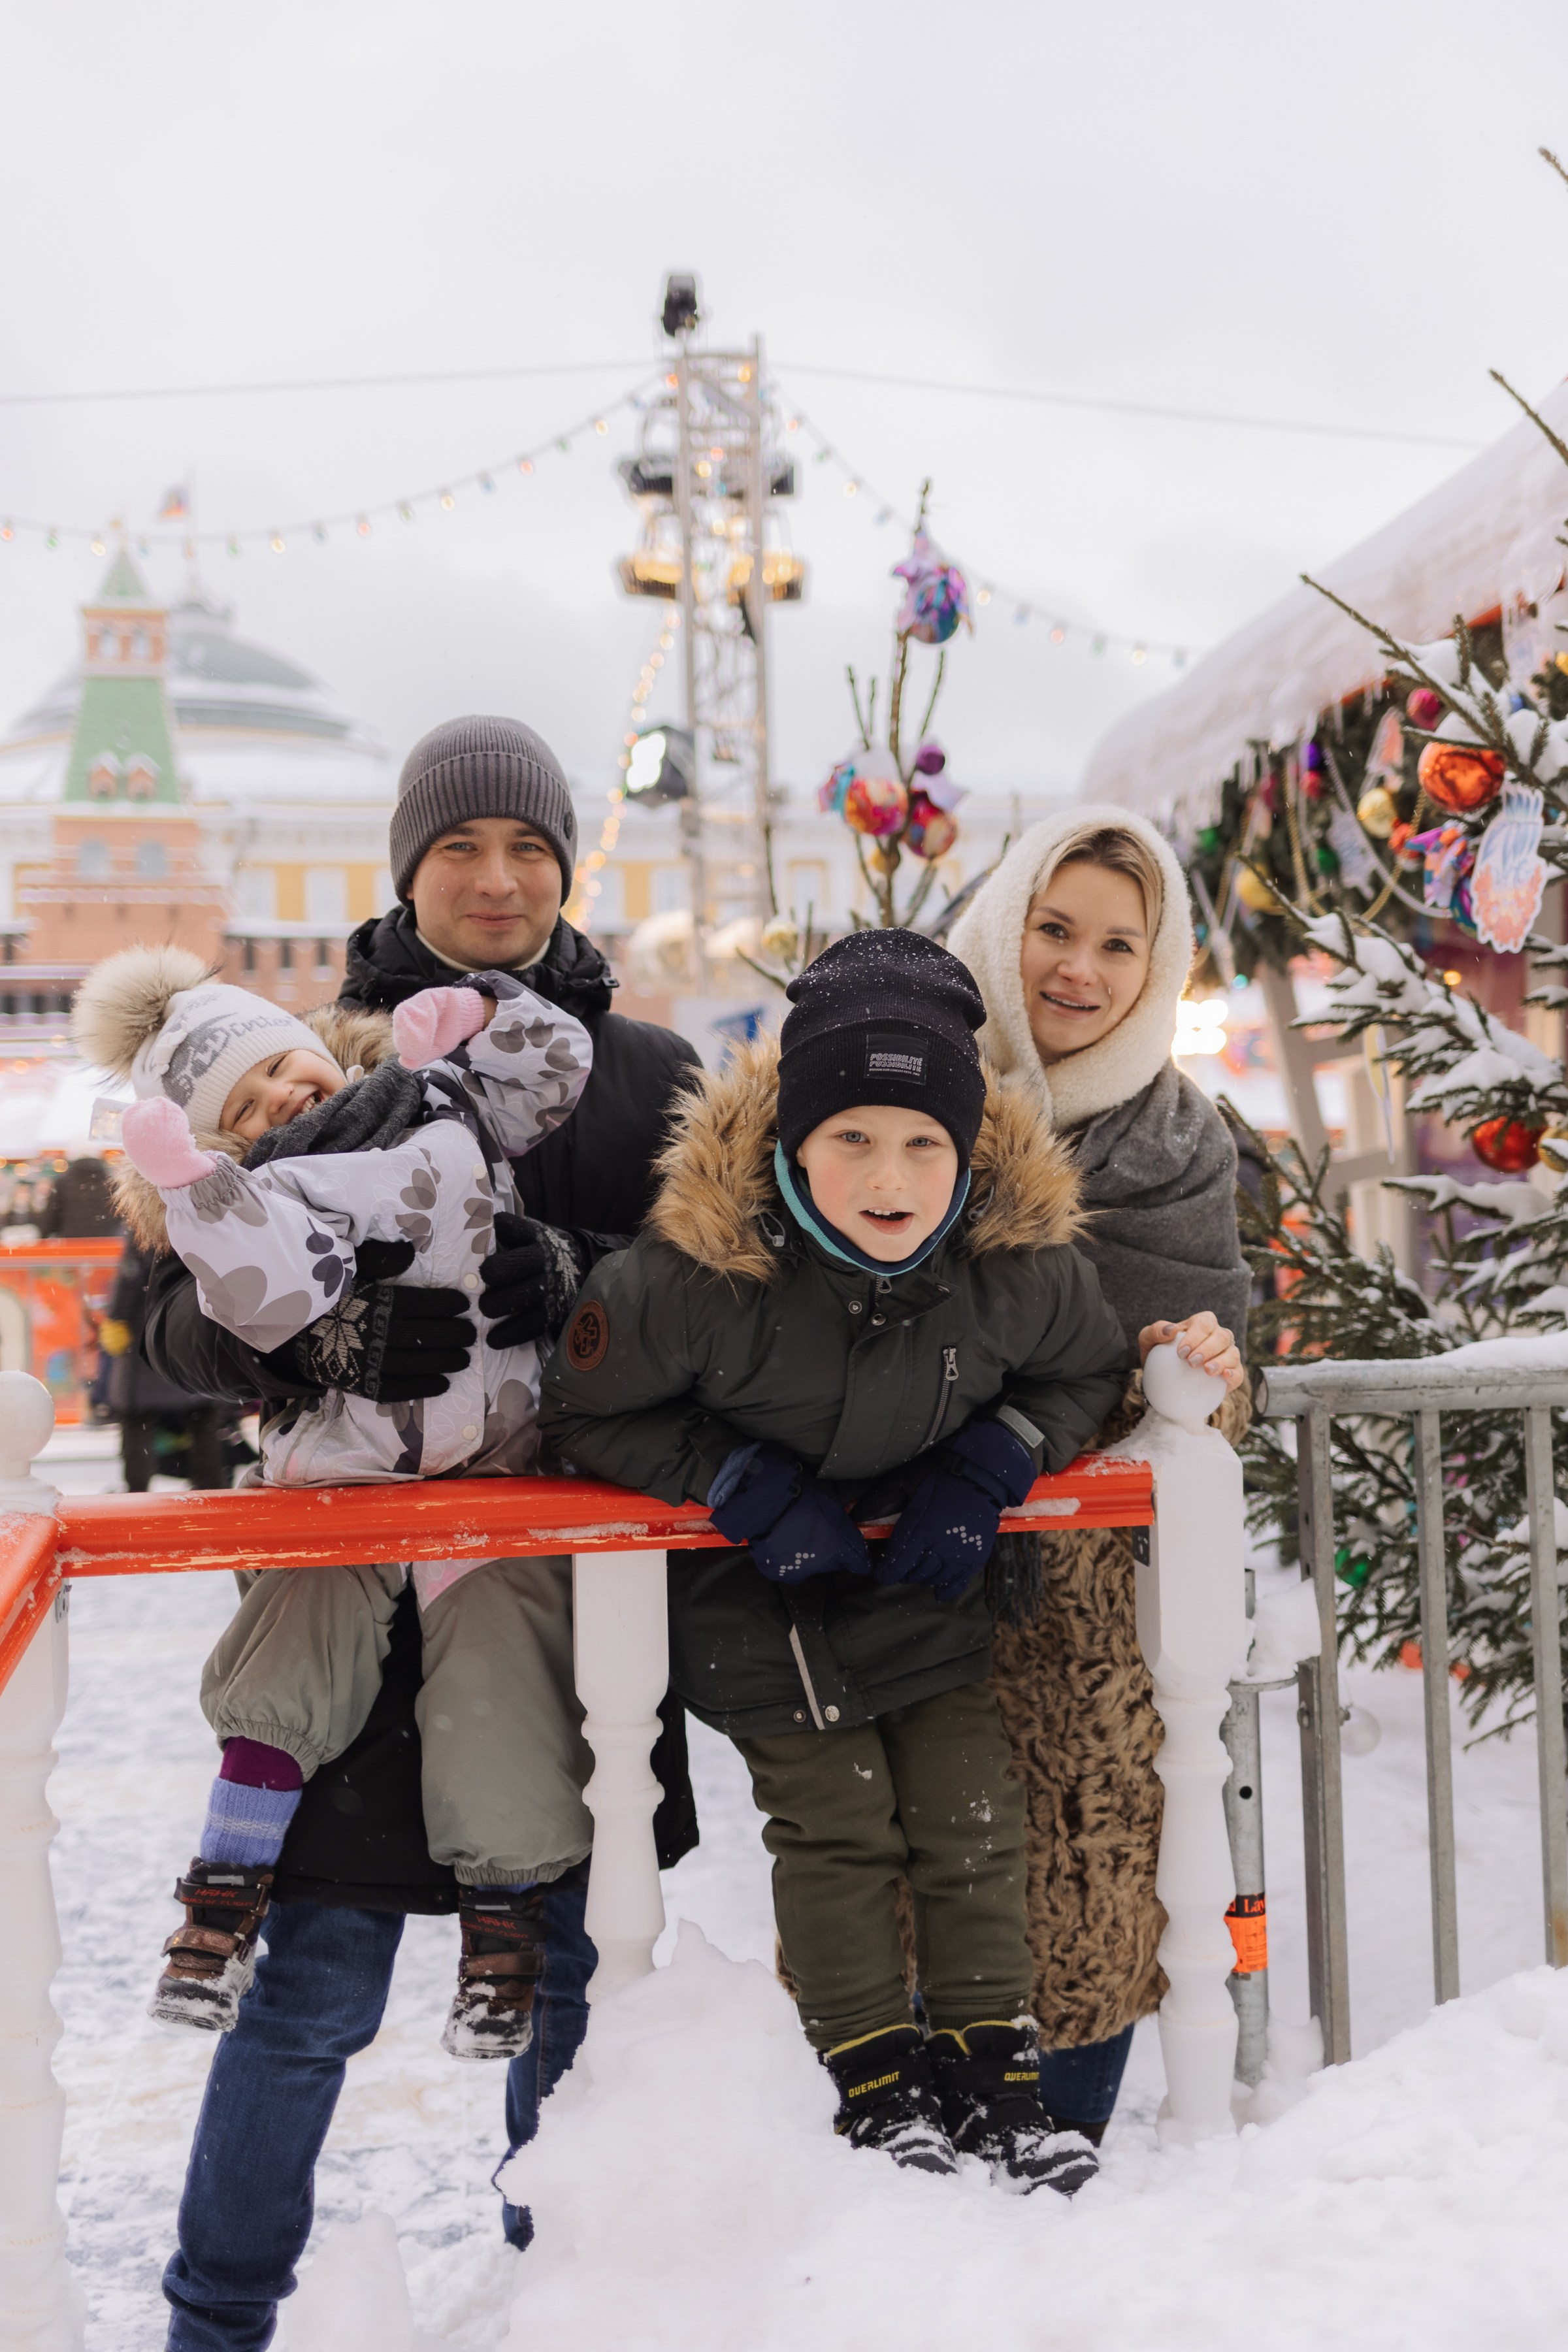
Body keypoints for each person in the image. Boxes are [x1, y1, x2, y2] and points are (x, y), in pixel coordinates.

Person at [125, 716, 700, 2348]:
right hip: (354, 1605)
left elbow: (727, 1300)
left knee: (567, 1986)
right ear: (410, 867)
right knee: (309, 1983)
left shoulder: (651, 1075)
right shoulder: (299, 1054)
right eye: (462, 847)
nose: (498, 876)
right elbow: (157, 1314)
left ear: (569, 866)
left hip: (568, 1609)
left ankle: (558, 2302)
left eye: (529, 847)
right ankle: (218, 2320)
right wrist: (308, 1345)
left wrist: (586, 1295)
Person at [541, 928, 1130, 2195]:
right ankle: (873, 2077)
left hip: (922, 1572)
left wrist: (995, 1463)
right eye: (853, 1136)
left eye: (925, 1142)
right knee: (843, 1825)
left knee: (976, 1814)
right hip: (761, 1592)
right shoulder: (703, 1273)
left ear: (968, 1153)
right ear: (795, 1141)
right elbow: (583, 1404)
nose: (890, 1174)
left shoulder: (1010, 1265)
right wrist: (733, 1481)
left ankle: (997, 2082)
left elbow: (1089, 1363)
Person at [78, 941, 595, 2059]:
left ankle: (503, 1931)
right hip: (346, 1475)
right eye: (245, 1102)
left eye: (282, 1064)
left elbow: (556, 1079)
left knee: (504, 1676)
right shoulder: (271, 1184)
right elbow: (225, 1297)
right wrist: (313, 1331)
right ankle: (224, 1888)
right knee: (289, 1653)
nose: (280, 1094)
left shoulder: (436, 1094)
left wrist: (574, 1267)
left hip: (494, 1471)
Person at [947, 806, 1250, 2145]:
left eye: (1119, 945)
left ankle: (1065, 2172)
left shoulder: (1179, 1150)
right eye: (1052, 930)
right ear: (1001, 925)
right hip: (908, 1579)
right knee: (924, 1873)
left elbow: (1207, 1397)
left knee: (1091, 1875)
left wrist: (1201, 1372)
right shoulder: (895, 1093)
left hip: (1088, 1610)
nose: (1080, 970)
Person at [100, 1237, 230, 1492]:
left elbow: (130, 1277)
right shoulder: (204, 1218)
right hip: (197, 1329)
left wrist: (117, 1318)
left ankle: (136, 1490)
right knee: (203, 1415)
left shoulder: (145, 1223)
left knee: (137, 1418)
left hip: (148, 1332)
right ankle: (211, 1488)